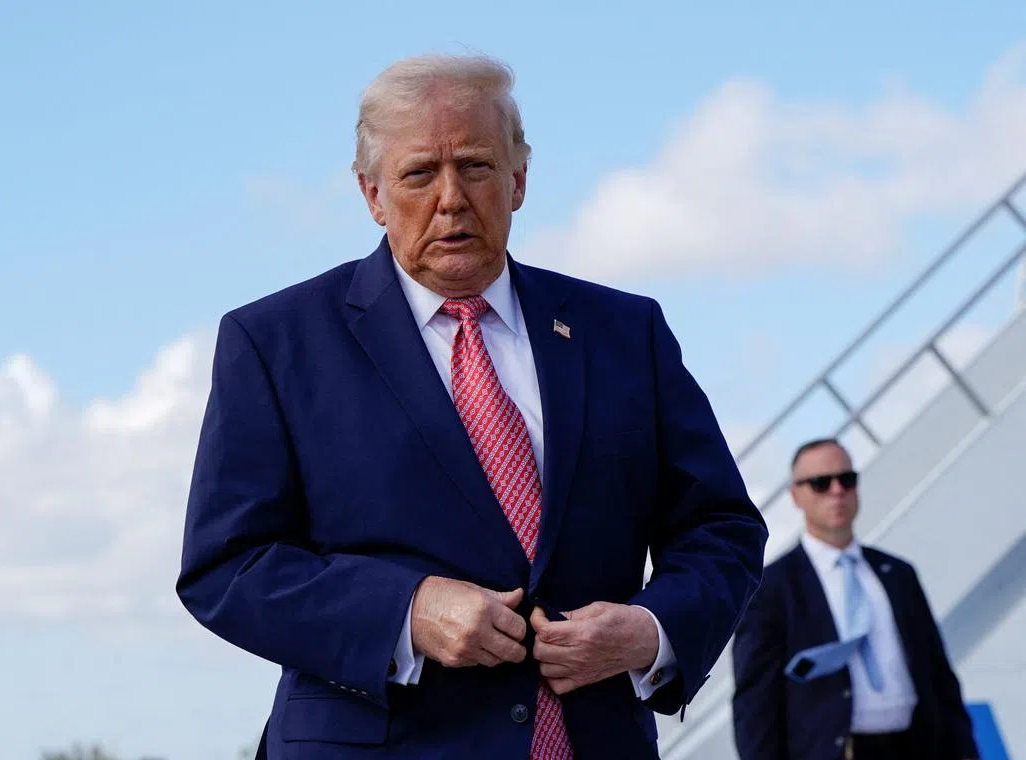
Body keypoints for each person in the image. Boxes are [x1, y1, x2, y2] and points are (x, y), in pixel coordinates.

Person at [177, 53, 768, 760]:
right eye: (420, 173)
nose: (451, 198)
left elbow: (721, 528)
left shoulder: (625, 332)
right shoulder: (274, 342)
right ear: (372, 194)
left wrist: (651, 630)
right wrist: (406, 612)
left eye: (477, 167)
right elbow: (227, 566)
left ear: (518, 180)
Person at [730, 438, 979, 760]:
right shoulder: (771, 589)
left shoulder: (898, 574)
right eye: (821, 483)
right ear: (796, 495)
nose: (837, 490)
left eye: (846, 479)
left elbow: (939, 677)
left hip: (918, 746)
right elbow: (755, 703)